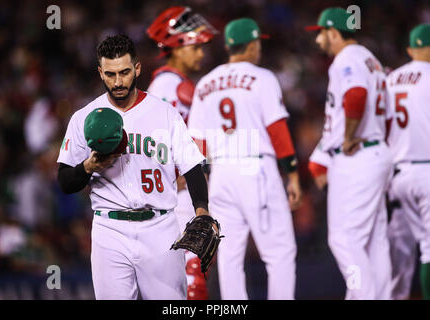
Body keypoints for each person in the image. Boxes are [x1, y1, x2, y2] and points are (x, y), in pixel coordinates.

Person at [56, 34, 211, 300]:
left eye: (125, 72)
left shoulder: (164, 113)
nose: (118, 82)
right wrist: (89, 165)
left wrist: (202, 211)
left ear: (137, 69)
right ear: (100, 73)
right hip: (110, 229)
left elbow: (193, 167)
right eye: (110, 74)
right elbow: (65, 181)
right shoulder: (83, 118)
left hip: (160, 228)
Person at [188, 18, 302, 300]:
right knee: (279, 253)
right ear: (251, 45)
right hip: (255, 166)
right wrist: (293, 174)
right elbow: (277, 130)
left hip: (221, 173)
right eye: (257, 42)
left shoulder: (205, 83)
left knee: (229, 256)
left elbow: (196, 144)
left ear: (229, 46)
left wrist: (204, 185)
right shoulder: (261, 77)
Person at [306, 7, 393, 299]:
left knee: (344, 239)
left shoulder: (348, 58)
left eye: (321, 33)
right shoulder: (372, 60)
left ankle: (363, 296)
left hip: (358, 156)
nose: (318, 40)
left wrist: (349, 136)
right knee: (374, 240)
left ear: (333, 32)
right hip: (376, 152)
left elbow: (356, 94)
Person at [146, 6, 217, 300]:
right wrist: (174, 176)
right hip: (179, 194)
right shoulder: (168, 85)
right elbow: (158, 140)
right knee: (192, 277)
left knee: (189, 276)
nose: (201, 53)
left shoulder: (174, 83)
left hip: (181, 190)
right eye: (195, 46)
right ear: (176, 47)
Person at [386, 24, 430, 300]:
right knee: (428, 247)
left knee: (397, 257)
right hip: (426, 171)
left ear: (410, 49)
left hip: (394, 176)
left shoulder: (391, 79)